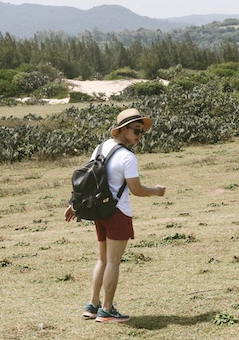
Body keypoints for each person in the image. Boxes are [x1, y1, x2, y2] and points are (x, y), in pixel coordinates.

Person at [64, 108, 166, 323]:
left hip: (99, 212)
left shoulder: (100, 148)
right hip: (118, 213)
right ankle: (107, 310)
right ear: (122, 129)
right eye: (136, 131)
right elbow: (136, 189)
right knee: (113, 262)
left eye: (142, 132)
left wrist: (74, 204)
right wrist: (156, 191)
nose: (139, 136)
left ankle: (93, 305)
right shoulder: (127, 157)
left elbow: (87, 181)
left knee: (102, 259)